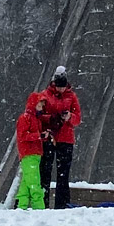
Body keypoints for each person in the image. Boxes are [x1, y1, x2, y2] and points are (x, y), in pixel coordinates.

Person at [40, 67, 82, 209]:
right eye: (59, 87)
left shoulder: (72, 96)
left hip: (66, 138)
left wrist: (70, 117)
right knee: (45, 171)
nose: (61, 90)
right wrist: (52, 118)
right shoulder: (45, 95)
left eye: (63, 87)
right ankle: (43, 203)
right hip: (49, 137)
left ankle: (62, 204)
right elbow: (38, 115)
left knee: (63, 174)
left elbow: (78, 119)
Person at [14, 93, 49, 210]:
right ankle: (39, 207)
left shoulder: (35, 119)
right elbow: (22, 136)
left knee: (26, 181)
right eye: (39, 106)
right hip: (28, 153)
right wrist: (38, 136)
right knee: (34, 182)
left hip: (34, 153)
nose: (41, 109)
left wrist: (42, 136)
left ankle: (21, 205)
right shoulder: (25, 118)